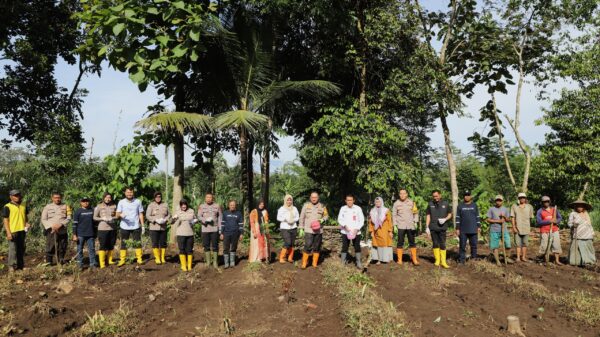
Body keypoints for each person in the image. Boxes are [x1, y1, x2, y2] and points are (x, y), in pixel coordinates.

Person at [299, 192, 329, 269]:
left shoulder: (322, 206)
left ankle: (314, 263)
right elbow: (302, 217)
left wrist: (323, 219)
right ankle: (304, 263)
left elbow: (326, 216)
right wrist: (301, 228)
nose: (314, 199)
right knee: (308, 245)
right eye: (312, 197)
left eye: (315, 197)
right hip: (308, 230)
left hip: (319, 230)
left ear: (318, 198)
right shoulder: (306, 206)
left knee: (317, 247)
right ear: (310, 198)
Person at [116, 187, 145, 266]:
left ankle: (139, 258)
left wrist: (142, 226)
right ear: (125, 193)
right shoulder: (121, 202)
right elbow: (117, 214)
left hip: (136, 226)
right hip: (124, 226)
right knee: (123, 243)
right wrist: (120, 215)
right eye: (128, 192)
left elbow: (140, 214)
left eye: (131, 192)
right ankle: (122, 259)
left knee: (137, 243)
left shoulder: (138, 201)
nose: (129, 194)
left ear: (133, 193)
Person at [2, 190, 31, 272]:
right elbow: (6, 220)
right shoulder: (7, 206)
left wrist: (27, 223)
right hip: (13, 231)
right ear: (11, 197)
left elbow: (25, 216)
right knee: (13, 249)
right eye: (15, 195)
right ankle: (11, 266)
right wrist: (8, 232)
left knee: (21, 248)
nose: (17, 197)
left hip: (22, 230)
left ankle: (21, 266)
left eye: (18, 195)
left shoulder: (24, 205)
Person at [41, 192, 71, 265]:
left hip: (62, 230)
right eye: (55, 198)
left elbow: (69, 218)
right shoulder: (47, 207)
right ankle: (49, 263)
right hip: (51, 230)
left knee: (62, 246)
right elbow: (43, 219)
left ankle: (60, 261)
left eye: (58, 197)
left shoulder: (66, 206)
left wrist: (61, 224)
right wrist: (52, 226)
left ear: (61, 198)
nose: (57, 199)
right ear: (52, 198)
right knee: (50, 246)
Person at [392, 189, 420, 265]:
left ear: (407, 194)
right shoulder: (396, 203)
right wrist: (394, 225)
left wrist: (415, 221)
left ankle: (414, 259)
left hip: (410, 226)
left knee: (412, 242)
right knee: (400, 242)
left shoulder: (411, 202)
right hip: (401, 226)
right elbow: (394, 215)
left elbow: (416, 213)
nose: (402, 195)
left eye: (404, 193)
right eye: (401, 193)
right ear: (399, 194)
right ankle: (399, 260)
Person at [426, 190, 452, 268]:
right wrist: (427, 227)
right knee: (435, 243)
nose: (435, 198)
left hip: (442, 227)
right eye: (434, 196)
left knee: (443, 244)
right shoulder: (430, 204)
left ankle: (443, 261)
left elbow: (450, 214)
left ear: (440, 195)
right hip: (433, 227)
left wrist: (445, 219)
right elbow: (428, 215)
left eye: (436, 196)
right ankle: (437, 260)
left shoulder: (446, 203)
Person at [338, 194, 365, 269]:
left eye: (351, 200)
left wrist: (357, 228)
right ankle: (343, 262)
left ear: (353, 200)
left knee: (357, 247)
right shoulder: (343, 208)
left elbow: (362, 220)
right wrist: (344, 225)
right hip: (345, 231)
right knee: (345, 246)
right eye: (348, 200)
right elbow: (340, 219)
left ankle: (358, 262)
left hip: (356, 231)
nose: (349, 201)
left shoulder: (358, 208)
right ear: (345, 201)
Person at [567, 199, 596, 266]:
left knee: (588, 249)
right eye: (578, 206)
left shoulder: (586, 214)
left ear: (584, 207)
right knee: (576, 250)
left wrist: (592, 233)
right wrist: (573, 225)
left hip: (587, 235)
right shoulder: (573, 214)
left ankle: (589, 261)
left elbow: (589, 225)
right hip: (578, 234)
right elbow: (569, 223)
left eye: (581, 206)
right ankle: (576, 262)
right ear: (575, 207)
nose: (579, 208)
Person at [197, 192, 222, 268]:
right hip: (205, 229)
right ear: (205, 198)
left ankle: (215, 262)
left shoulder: (217, 206)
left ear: (212, 198)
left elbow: (220, 218)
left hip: (214, 229)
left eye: (210, 197)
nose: (208, 199)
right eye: (207, 197)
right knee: (206, 246)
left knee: (215, 246)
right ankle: (208, 262)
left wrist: (220, 229)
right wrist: (205, 220)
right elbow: (198, 216)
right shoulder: (201, 206)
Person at [536, 196, 563, 265]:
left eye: (547, 201)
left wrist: (556, 221)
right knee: (545, 245)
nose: (546, 203)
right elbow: (539, 222)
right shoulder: (540, 211)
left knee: (556, 245)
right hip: (544, 230)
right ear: (542, 203)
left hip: (554, 230)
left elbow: (560, 217)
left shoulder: (554, 209)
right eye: (544, 202)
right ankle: (546, 260)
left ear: (549, 202)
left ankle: (556, 260)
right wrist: (549, 221)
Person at [94, 192, 118, 268]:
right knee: (103, 245)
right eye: (106, 197)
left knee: (111, 245)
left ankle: (110, 260)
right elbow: (94, 217)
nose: (108, 199)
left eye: (109, 198)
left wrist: (113, 218)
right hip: (103, 228)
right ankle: (102, 263)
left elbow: (117, 216)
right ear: (103, 198)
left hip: (112, 228)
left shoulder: (114, 206)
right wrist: (102, 218)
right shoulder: (99, 206)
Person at [455, 190, 480, 264]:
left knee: (474, 245)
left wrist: (478, 226)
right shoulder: (460, 205)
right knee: (462, 245)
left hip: (473, 229)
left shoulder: (474, 205)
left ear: (470, 196)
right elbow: (457, 217)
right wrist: (457, 228)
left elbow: (477, 216)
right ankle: (462, 260)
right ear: (464, 196)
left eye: (468, 195)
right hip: (463, 230)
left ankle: (473, 259)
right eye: (465, 195)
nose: (467, 196)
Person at [486, 195, 512, 266]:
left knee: (508, 244)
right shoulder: (491, 209)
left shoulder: (505, 209)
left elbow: (508, 219)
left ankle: (506, 258)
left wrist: (504, 218)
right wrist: (498, 221)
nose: (498, 202)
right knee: (495, 246)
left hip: (504, 230)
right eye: (497, 200)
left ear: (502, 201)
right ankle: (497, 261)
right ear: (495, 201)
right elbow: (488, 219)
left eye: (500, 200)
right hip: (494, 230)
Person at [172, 199, 197, 272]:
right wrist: (174, 219)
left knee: (189, 250)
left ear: (187, 205)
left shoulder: (191, 211)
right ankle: (183, 266)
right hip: (181, 233)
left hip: (190, 233)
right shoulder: (178, 212)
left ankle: (189, 266)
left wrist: (194, 221)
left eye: (185, 204)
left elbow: (195, 219)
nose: (184, 206)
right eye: (182, 205)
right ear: (180, 205)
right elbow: (172, 222)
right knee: (182, 249)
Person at [146, 191, 170, 265]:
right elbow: (147, 216)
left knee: (163, 243)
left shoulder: (165, 205)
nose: (158, 198)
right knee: (155, 243)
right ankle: (157, 258)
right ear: (154, 198)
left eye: (159, 196)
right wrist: (155, 220)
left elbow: (169, 214)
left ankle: (162, 257)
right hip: (154, 227)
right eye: (156, 197)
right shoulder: (151, 205)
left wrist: (165, 219)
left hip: (163, 227)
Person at [72, 197, 96, 269]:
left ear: (89, 202)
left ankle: (93, 264)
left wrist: (96, 233)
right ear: (81, 202)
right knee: (79, 250)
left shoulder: (92, 210)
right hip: (80, 234)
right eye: (84, 201)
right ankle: (80, 265)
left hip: (90, 234)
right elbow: (74, 224)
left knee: (91, 249)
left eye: (87, 201)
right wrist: (74, 235)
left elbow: (95, 223)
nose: (85, 202)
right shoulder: (78, 211)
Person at [368, 197, 393, 264]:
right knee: (376, 244)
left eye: (379, 202)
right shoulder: (372, 211)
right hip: (376, 231)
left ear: (381, 202)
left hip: (384, 231)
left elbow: (389, 221)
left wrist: (390, 231)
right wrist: (371, 231)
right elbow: (370, 222)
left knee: (385, 244)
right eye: (376, 202)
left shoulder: (386, 210)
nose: (377, 203)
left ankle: (385, 259)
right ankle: (378, 259)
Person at [511, 192, 535, 262]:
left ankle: (523, 257)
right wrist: (514, 227)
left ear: (525, 198)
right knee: (518, 244)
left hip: (526, 228)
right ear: (518, 198)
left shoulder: (529, 207)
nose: (522, 199)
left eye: (523, 197)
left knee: (525, 243)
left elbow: (530, 218)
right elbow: (512, 217)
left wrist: (529, 227)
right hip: (517, 227)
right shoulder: (514, 206)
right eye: (520, 198)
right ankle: (518, 257)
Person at [277, 194, 300, 264]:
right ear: (285, 201)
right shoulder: (282, 208)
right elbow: (278, 218)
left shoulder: (295, 208)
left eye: (290, 200)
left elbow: (297, 217)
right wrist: (286, 219)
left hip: (293, 227)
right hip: (285, 227)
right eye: (288, 200)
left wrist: (294, 220)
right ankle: (281, 257)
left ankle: (290, 258)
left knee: (292, 244)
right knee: (288, 242)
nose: (289, 201)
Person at [220, 200, 244, 269]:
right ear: (229, 205)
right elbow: (223, 224)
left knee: (233, 248)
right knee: (225, 248)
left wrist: (241, 233)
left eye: (233, 205)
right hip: (226, 233)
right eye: (231, 205)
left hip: (235, 233)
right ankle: (226, 263)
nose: (232, 206)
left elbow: (241, 224)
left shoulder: (238, 213)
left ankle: (232, 263)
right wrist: (221, 233)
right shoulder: (225, 213)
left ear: (235, 205)